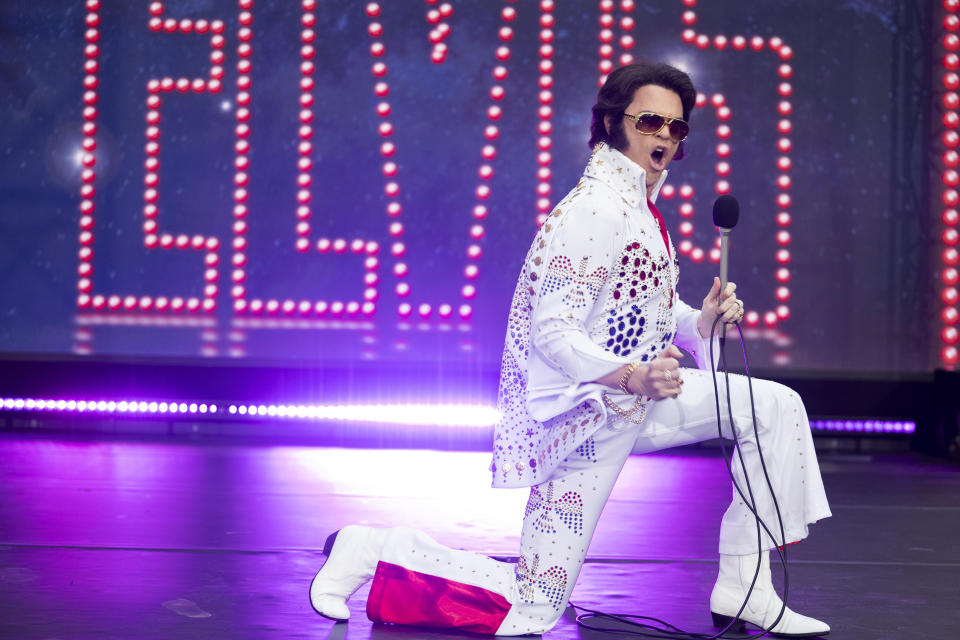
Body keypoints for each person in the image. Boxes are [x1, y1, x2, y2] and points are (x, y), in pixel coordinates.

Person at [309, 61, 832, 637]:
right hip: (584, 419)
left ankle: (745, 590)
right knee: (534, 605)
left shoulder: (638, 207)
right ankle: (370, 549)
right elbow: (553, 334)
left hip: (638, 399)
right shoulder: (592, 211)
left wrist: (700, 320)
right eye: (651, 120)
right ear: (613, 122)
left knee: (774, 407)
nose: (664, 135)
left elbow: (644, 310)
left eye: (676, 128)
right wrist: (632, 375)